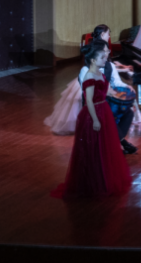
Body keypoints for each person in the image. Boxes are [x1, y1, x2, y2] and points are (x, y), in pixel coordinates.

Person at [50, 43, 132, 199]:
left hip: (104, 110)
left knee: (105, 148)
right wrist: (95, 120)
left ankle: (104, 180)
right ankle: (92, 183)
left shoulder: (100, 73)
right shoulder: (88, 76)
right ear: (93, 60)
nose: (105, 59)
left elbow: (106, 91)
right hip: (93, 113)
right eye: (102, 57)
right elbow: (88, 100)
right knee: (94, 150)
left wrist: (121, 93)